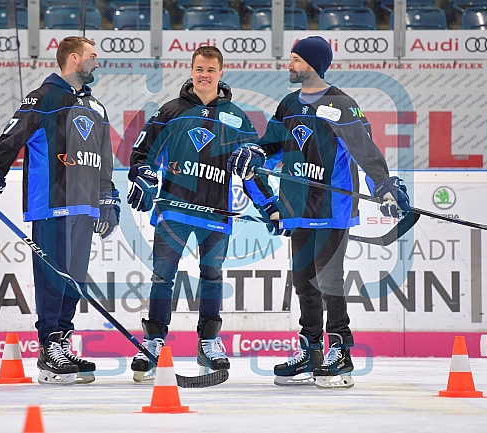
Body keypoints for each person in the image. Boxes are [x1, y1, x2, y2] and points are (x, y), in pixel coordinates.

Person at [227, 36, 410, 389]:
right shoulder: (287, 104)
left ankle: (340, 349)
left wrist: (383, 186)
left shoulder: (341, 104)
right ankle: (310, 350)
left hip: (332, 208)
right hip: (297, 206)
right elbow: (274, 146)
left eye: (295, 59)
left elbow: (364, 151)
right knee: (303, 282)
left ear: (313, 64)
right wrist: (256, 154)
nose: (289, 64)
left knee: (329, 280)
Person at [0, 36, 119, 385]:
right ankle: (49, 347)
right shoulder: (43, 96)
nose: (97, 63)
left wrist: (107, 199)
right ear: (75, 59)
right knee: (52, 278)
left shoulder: (97, 107)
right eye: (93, 57)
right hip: (52, 204)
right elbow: (11, 138)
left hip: (84, 207)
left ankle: (62, 341)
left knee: (74, 281)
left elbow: (104, 161)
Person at [127, 46, 276, 382]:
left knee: (212, 277)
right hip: (173, 210)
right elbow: (142, 155)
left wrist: (269, 206)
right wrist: (143, 178)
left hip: (216, 213)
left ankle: (208, 342)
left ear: (221, 72)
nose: (204, 75)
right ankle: (153, 342)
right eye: (199, 69)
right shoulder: (170, 111)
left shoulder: (237, 118)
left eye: (210, 69)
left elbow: (252, 171)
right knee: (162, 276)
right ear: (191, 71)